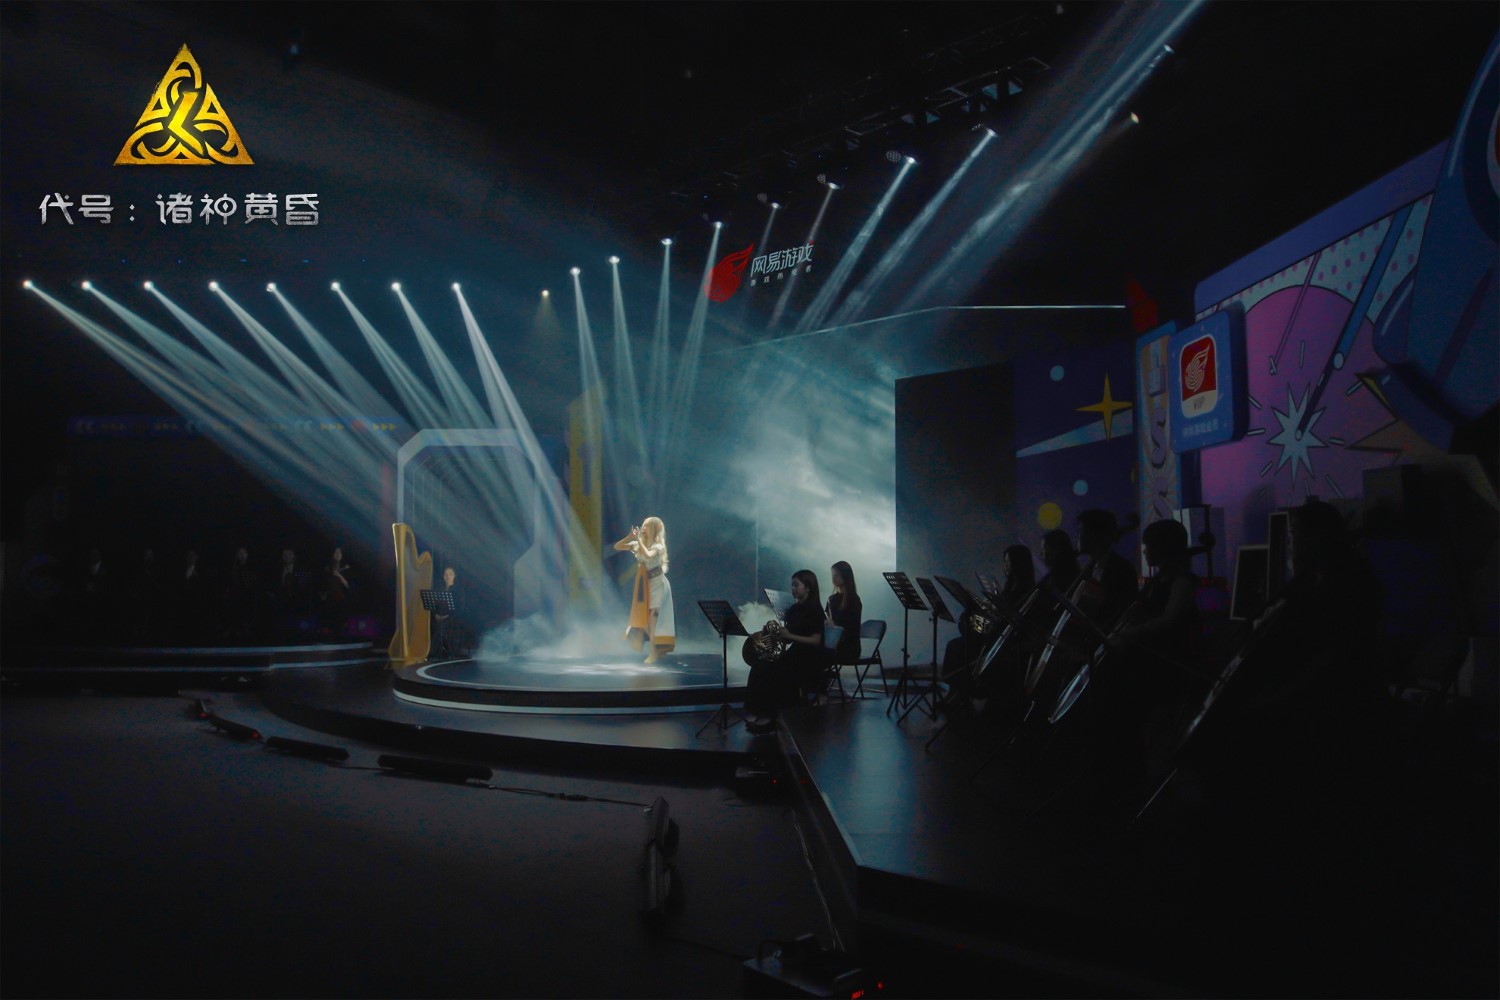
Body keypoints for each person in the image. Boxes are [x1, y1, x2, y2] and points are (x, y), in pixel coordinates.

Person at [744, 569, 826, 731]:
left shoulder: (815, 610)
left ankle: (770, 715)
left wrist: (789, 635)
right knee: (759, 665)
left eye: (796, 585)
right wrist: (773, 634)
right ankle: (756, 711)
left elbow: (816, 640)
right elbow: (788, 639)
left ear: (808, 587)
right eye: (792, 585)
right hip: (795, 653)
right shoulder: (794, 610)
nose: (793, 589)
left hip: (809, 657)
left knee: (772, 670)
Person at [614, 516, 675, 663]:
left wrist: (639, 541)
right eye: (644, 525)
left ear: (654, 529)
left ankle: (653, 652)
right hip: (645, 586)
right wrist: (630, 537)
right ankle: (656, 649)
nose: (644, 528)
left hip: (658, 585)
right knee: (644, 621)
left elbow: (648, 554)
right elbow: (617, 547)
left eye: (647, 526)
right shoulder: (638, 545)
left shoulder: (658, 547)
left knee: (653, 621)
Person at [825, 561, 862, 671]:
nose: (833, 578)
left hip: (848, 648)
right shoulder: (832, 599)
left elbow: (853, 629)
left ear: (845, 576)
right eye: (832, 575)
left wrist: (835, 626)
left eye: (836, 575)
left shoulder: (853, 600)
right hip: (833, 644)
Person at [431, 565, 466, 659]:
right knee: (434, 627)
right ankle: (439, 654)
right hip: (439, 617)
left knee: (442, 630)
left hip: (452, 618)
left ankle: (432, 654)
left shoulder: (458, 590)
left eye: (450, 574)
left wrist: (446, 616)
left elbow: (460, 608)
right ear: (443, 576)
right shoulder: (440, 589)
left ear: (454, 576)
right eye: (445, 574)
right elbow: (434, 605)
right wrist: (436, 615)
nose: (448, 576)